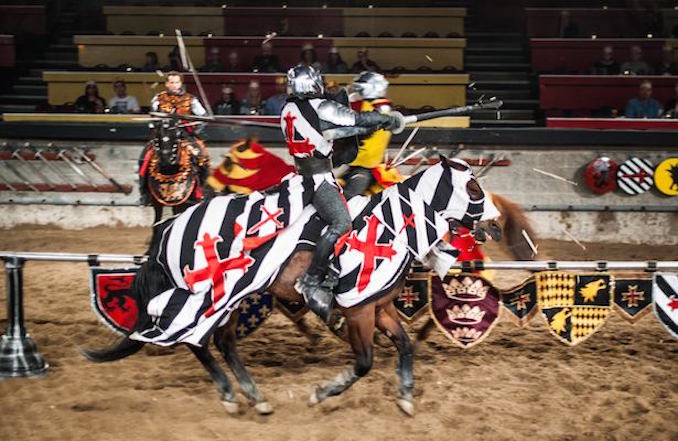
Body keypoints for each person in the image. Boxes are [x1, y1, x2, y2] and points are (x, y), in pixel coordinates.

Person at [280, 64, 402, 323]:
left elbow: (342, 128)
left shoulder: (288, 109)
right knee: (342, 222)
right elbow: (355, 119)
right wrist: (386, 120)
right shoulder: (321, 108)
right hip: (319, 181)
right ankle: (312, 281)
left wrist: (364, 126)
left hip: (298, 177)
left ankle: (334, 266)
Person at [138, 71, 210, 205]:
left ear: (181, 83)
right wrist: (156, 126)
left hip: (184, 136)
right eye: (171, 82)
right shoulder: (158, 99)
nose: (174, 85)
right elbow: (152, 118)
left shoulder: (191, 99)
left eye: (176, 82)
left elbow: (203, 117)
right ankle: (144, 193)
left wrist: (196, 127)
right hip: (162, 135)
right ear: (166, 83)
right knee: (144, 158)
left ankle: (204, 190)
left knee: (202, 156)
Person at [342, 72, 397, 199]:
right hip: (355, 164)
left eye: (359, 88)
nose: (356, 91)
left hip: (366, 167)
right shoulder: (374, 106)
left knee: (347, 201)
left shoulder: (379, 107)